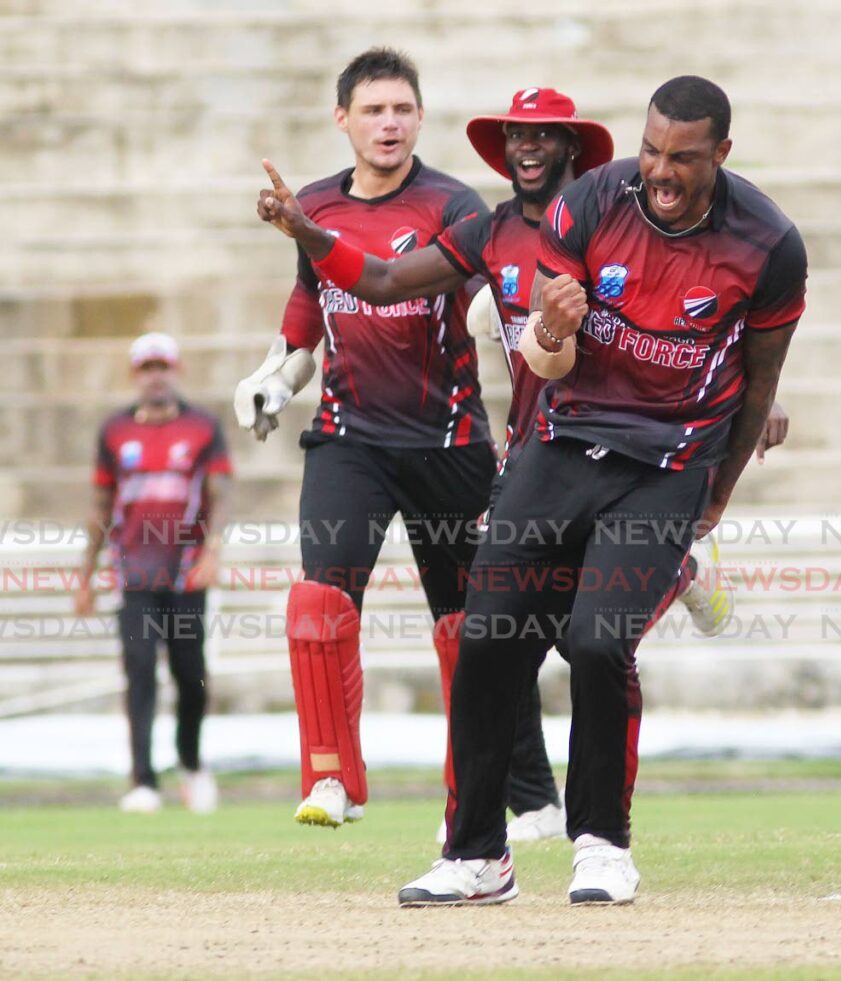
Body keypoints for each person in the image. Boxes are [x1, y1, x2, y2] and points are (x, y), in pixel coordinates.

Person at [257, 87, 789, 839]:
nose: (529, 147)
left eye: (545, 136)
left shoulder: (613, 221)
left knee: (584, 641)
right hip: (538, 456)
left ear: (575, 151)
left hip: (630, 459)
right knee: (498, 633)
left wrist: (752, 399)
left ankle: (580, 820)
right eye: (516, 136)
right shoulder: (488, 231)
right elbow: (378, 280)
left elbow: (694, 316)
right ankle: (474, 829)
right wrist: (308, 234)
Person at [395, 75, 807, 906]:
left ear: (720, 155)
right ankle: (478, 853)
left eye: (682, 158)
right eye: (651, 149)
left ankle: (602, 845)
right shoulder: (589, 201)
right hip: (566, 436)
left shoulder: (769, 243)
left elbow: (762, 385)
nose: (660, 169)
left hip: (670, 463)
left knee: (595, 639)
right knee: (489, 631)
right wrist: (552, 322)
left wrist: (715, 496)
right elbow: (546, 362)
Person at [234, 47, 504, 831]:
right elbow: (307, 300)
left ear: (420, 118)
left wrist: (509, 322)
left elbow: (485, 297)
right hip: (349, 438)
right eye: (374, 109)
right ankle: (331, 780)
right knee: (319, 601)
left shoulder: (457, 206)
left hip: (449, 444)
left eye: (402, 110)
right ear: (342, 118)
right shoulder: (313, 203)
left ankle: (472, 800)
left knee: (468, 630)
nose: (389, 123)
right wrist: (278, 379)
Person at [75, 331, 232, 814]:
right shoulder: (115, 432)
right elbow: (102, 504)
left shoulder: (203, 427)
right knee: (139, 672)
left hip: (185, 573)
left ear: (175, 370)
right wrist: (86, 575)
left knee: (190, 675)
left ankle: (189, 763)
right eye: (147, 367)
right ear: (135, 375)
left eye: (162, 366)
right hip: (134, 575)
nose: (156, 375)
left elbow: (220, 495)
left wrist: (213, 552)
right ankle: (143, 780)